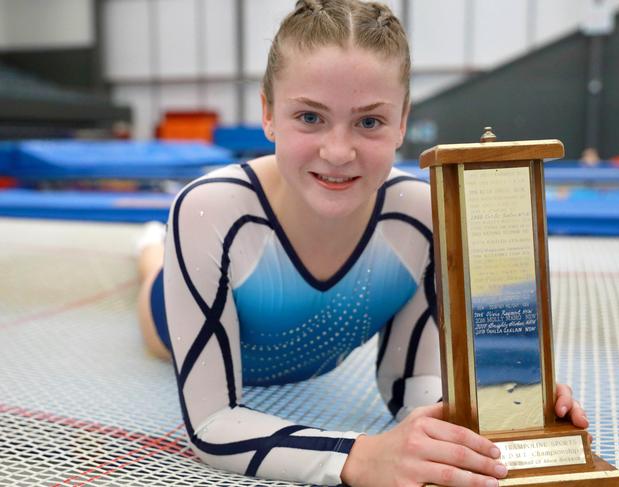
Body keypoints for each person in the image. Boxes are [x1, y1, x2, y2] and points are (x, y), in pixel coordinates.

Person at [135, 1, 589, 485]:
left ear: (401, 122)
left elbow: (412, 391)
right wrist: (360, 456)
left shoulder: (421, 216)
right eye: (309, 117)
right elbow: (210, 423)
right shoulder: (210, 211)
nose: (338, 152)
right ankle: (149, 249)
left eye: (369, 122)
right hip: (167, 318)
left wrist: (501, 407)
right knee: (150, 272)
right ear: (268, 114)